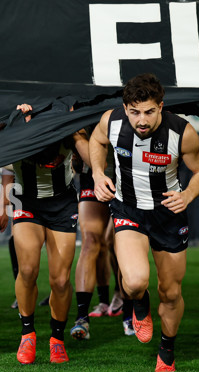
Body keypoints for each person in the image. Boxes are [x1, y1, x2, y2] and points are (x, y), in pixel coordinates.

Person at [90, 73, 199, 372]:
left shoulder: (182, 132)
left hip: (168, 215)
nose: (141, 120)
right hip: (129, 209)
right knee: (134, 282)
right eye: (134, 111)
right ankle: (139, 303)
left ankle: (167, 348)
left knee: (170, 292)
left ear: (161, 106)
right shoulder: (112, 121)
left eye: (148, 111)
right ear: (125, 107)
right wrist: (96, 173)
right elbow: (96, 139)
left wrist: (188, 196)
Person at [10, 103, 91, 365]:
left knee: (59, 280)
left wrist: (77, 131)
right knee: (29, 269)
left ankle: (56, 339)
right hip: (26, 200)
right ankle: (27, 333)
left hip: (62, 203)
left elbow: (90, 160)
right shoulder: (18, 122)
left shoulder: (66, 123)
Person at [70, 129, 134, 340]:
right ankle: (82, 318)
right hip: (94, 177)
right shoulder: (80, 107)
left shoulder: (125, 108)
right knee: (91, 242)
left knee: (121, 245)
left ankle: (129, 313)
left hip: (128, 177)